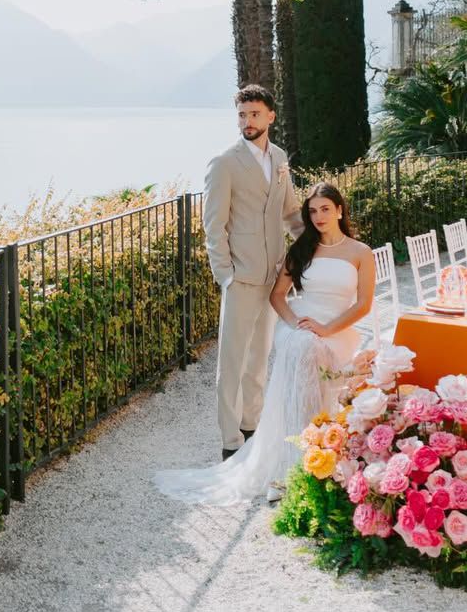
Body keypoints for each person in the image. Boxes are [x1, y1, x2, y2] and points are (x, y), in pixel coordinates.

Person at [153, 182, 376, 505]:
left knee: (311, 354)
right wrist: (295, 326)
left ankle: (318, 458)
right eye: (312, 211)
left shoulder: (360, 252)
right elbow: (277, 296)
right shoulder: (301, 249)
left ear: (340, 210)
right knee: (302, 348)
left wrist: (326, 329)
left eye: (325, 209)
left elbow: (364, 305)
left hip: (336, 329)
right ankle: (291, 467)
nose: (318, 217)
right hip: (299, 325)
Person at [201, 84, 304, 459]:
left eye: (255, 114)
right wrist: (225, 274)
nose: (247, 121)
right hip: (240, 278)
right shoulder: (224, 163)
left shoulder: (279, 158)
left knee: (259, 359)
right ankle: (230, 443)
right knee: (232, 363)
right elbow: (214, 226)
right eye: (242, 115)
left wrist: (316, 247)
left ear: (271, 116)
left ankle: (250, 427)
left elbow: (291, 212)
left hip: (275, 278)